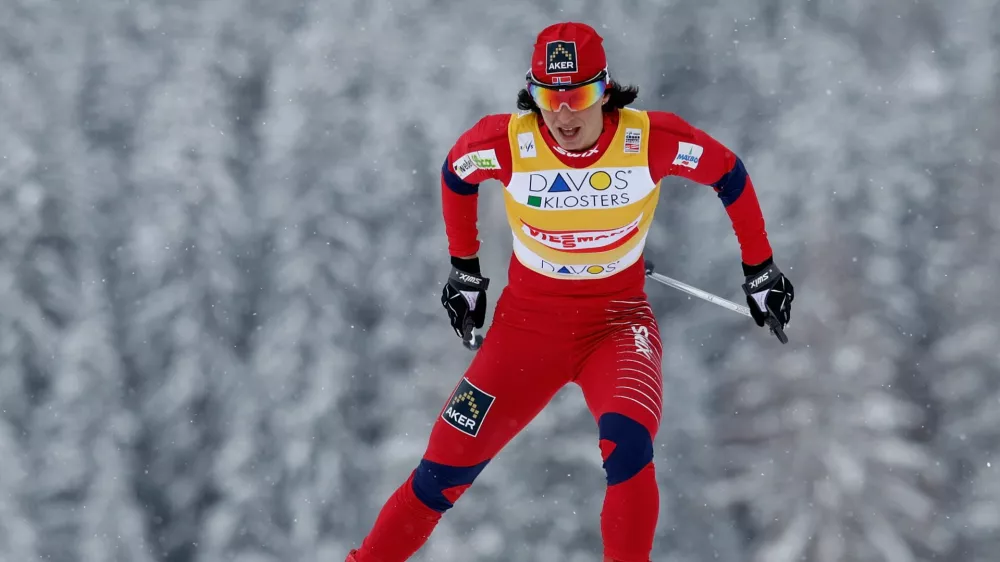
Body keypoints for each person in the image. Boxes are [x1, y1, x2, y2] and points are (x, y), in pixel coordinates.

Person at [347, 21, 794, 562]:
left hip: (618, 325)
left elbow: (728, 173)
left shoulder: (648, 139)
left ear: (604, 90)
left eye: (577, 95)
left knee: (628, 446)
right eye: (547, 97)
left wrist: (760, 269)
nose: (562, 114)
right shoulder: (509, 142)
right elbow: (456, 173)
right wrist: (465, 270)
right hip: (524, 333)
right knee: (438, 476)